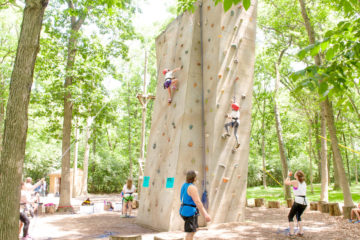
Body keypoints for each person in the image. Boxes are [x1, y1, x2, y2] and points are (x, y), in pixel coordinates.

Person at [180, 170, 211, 240]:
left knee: (193, 230)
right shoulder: (192, 188)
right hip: (190, 212)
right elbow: (198, 202)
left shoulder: (184, 185)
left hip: (184, 210)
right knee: (190, 233)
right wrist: (205, 214)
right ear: (195, 178)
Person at [285, 170, 308, 238]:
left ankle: (291, 233)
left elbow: (286, 182)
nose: (294, 174)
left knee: (290, 216)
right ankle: (301, 232)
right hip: (304, 202)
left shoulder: (295, 181)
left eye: (295, 174)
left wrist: (289, 176)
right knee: (298, 216)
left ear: (297, 176)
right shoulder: (304, 182)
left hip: (298, 201)